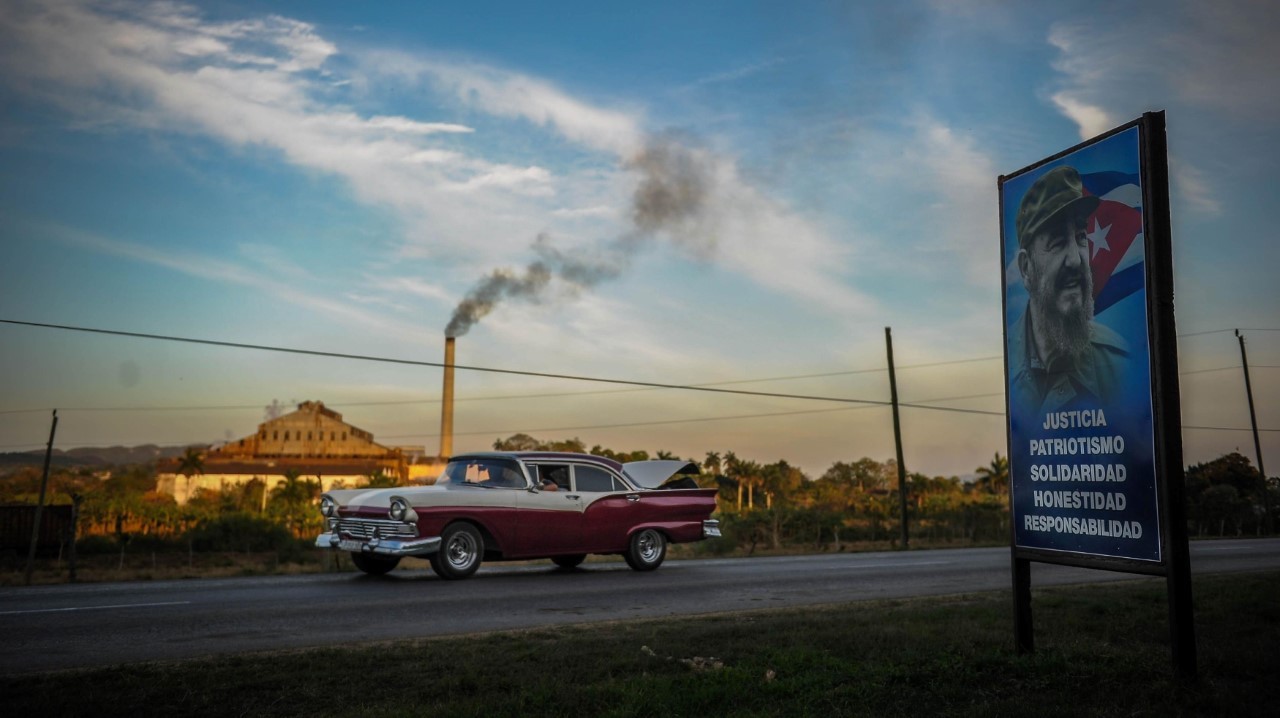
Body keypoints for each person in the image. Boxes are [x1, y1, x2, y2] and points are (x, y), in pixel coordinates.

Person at [1008, 165, 1130, 419]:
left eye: (1081, 236)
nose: (1075, 259)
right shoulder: (1007, 365)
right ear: (1026, 267)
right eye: (1057, 242)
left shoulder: (1119, 366)